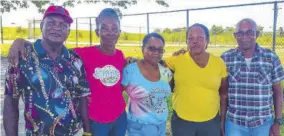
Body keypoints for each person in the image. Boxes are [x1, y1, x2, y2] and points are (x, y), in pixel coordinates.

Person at [7, 8, 127, 136]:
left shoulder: (117, 56)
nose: (110, 33)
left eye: (63, 25)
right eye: (51, 23)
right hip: (94, 120)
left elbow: (117, 86)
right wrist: (21, 41)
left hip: (108, 119)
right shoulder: (81, 54)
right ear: (97, 32)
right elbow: (53, 47)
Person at [3, 6, 91, 136]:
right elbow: (10, 104)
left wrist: (87, 132)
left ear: (68, 31)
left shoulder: (75, 61)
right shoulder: (22, 58)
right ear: (41, 26)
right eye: (51, 23)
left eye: (63, 25)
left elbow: (83, 100)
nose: (57, 28)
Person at [221, 18, 284, 136]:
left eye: (250, 32)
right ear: (235, 36)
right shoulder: (225, 58)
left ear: (257, 34)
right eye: (240, 33)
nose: (245, 36)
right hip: (234, 123)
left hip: (263, 123)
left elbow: (278, 92)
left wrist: (278, 121)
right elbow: (221, 93)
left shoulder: (271, 57)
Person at [164, 23, 228, 136]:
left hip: (211, 122)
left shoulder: (219, 63)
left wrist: (222, 121)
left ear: (207, 41)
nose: (195, 41)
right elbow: (154, 65)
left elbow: (223, 95)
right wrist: (133, 60)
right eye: (191, 38)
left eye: (200, 38)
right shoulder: (177, 59)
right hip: (181, 121)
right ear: (187, 42)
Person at [122, 33, 172, 136]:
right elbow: (115, 93)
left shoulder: (165, 71)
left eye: (160, 49)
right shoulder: (130, 70)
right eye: (151, 48)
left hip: (160, 127)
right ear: (142, 49)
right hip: (139, 128)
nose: (156, 53)